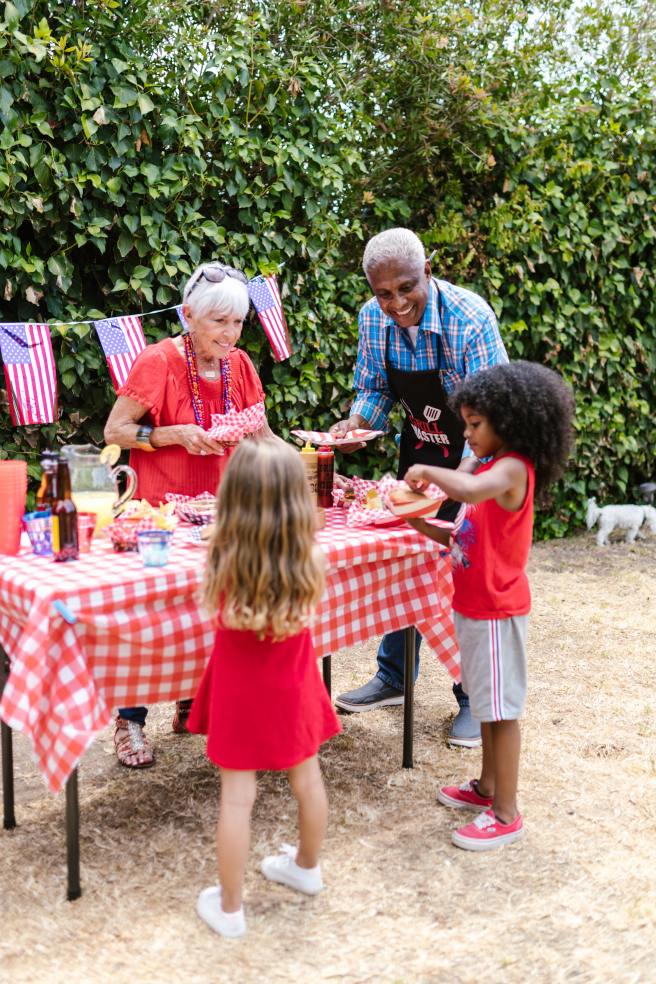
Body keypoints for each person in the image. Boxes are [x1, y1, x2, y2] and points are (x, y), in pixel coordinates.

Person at [331, 227, 508, 747]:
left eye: (406, 287)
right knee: (408, 558)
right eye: (382, 293)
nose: (396, 303)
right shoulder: (372, 318)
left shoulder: (468, 317)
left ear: (427, 271)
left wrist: (461, 490)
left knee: (464, 574)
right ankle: (393, 675)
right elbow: (374, 387)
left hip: (478, 457)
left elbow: (494, 414)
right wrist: (355, 426)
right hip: (422, 454)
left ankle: (475, 697)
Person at [104, 260, 271, 768]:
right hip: (160, 517)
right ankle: (129, 720)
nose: (230, 332)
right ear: (188, 315)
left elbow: (261, 435)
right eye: (219, 321)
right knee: (151, 612)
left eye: (238, 322)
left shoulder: (240, 365)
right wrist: (171, 434)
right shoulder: (157, 361)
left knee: (213, 607)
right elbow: (115, 432)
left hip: (223, 513)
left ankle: (189, 707)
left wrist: (307, 463)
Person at [403, 360, 574, 850]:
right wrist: (413, 521)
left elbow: (471, 490)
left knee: (502, 711)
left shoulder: (512, 469)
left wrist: (425, 469)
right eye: (465, 424)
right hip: (474, 606)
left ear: (511, 420)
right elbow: (461, 533)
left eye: (476, 425)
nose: (468, 434)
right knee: (485, 706)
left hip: (499, 611)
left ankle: (506, 813)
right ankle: (486, 789)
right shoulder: (491, 466)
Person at [187, 439, 341, 938]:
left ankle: (230, 910)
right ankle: (307, 866)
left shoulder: (223, 556)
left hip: (240, 689)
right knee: (308, 780)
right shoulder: (308, 557)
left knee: (237, 799)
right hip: (294, 683)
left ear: (233, 499)